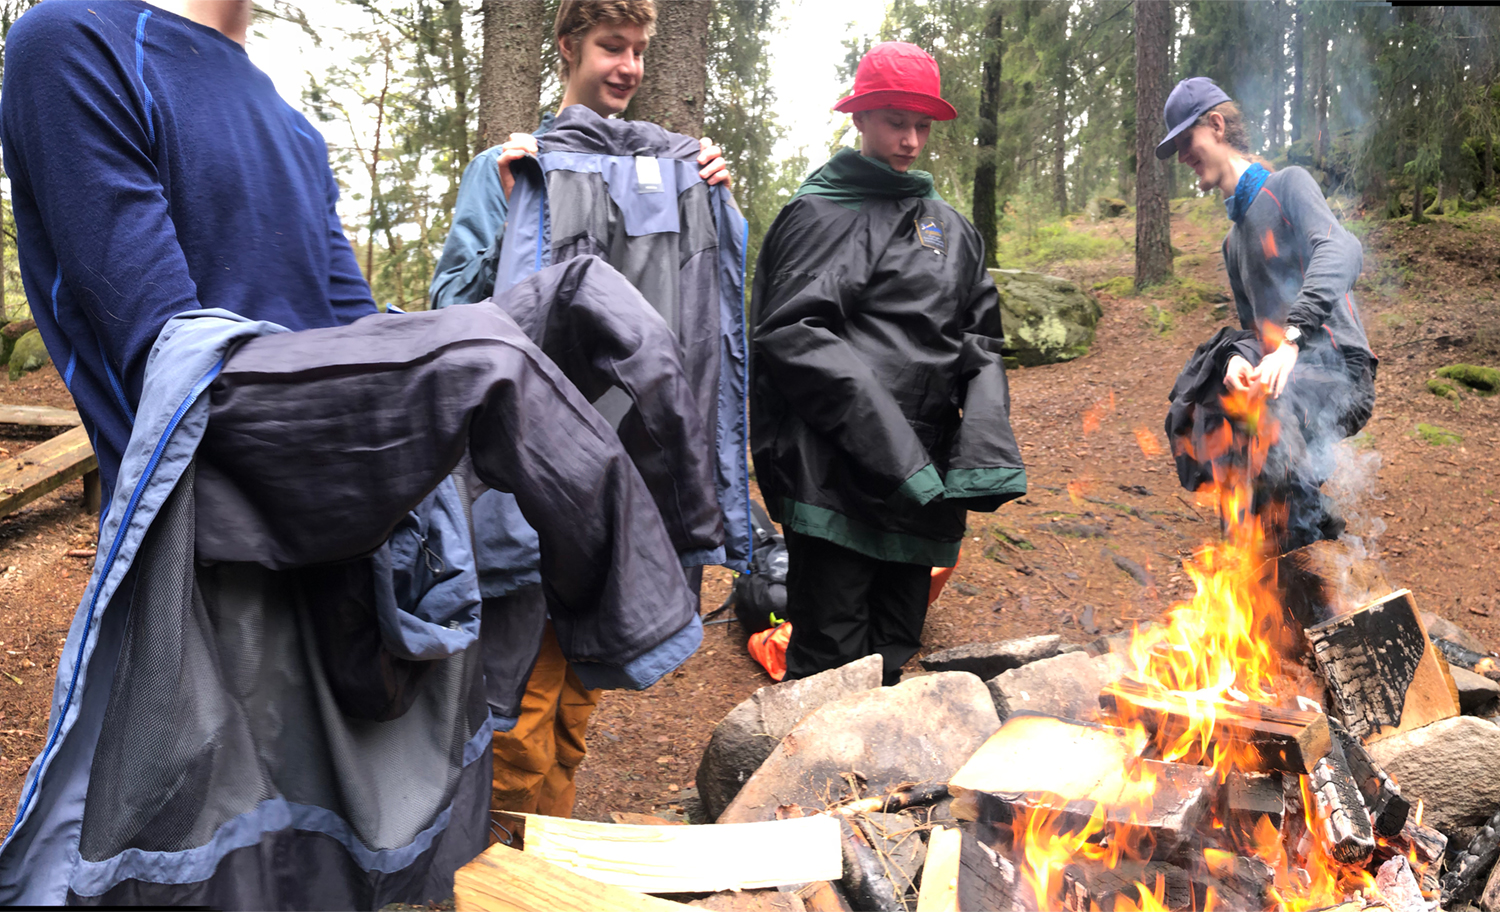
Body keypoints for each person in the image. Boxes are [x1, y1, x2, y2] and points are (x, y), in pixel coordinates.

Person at [0, 1, 700, 905]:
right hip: (207, 590)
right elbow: (174, 381)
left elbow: (352, 336)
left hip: (343, 575)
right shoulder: (76, 43)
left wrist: (533, 315)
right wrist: (469, 361)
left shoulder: (286, 123)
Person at [430, 0, 738, 821]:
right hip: (532, 484)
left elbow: (685, 324)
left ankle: (546, 853)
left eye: (638, 50)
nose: (629, 67)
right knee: (518, 708)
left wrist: (709, 197)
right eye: (611, 47)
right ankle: (495, 865)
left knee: (575, 704)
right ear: (568, 47)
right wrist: (513, 209)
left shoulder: (670, 175)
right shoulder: (508, 166)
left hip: (623, 484)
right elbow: (453, 310)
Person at [749, 42, 1027, 687]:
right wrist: (895, 452)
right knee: (831, 664)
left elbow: (980, 340)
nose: (910, 140)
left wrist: (983, 449)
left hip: (923, 479)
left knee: (893, 649)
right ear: (861, 118)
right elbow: (794, 335)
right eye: (895, 122)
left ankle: (884, 757)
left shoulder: (950, 228)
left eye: (922, 126)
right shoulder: (818, 213)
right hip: (833, 475)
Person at [1158, 77, 1376, 555]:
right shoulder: (1232, 244)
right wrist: (1241, 357)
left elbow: (1342, 249)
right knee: (1209, 398)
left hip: (1341, 373)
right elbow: (1255, 334)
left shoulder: (1287, 186)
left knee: (1263, 411)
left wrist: (1292, 340)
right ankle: (1251, 562)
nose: (1182, 156)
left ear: (1216, 126)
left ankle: (1317, 546)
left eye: (1186, 140)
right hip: (1284, 384)